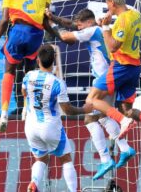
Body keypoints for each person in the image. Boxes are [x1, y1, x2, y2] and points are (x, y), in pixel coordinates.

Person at [45, 8, 135, 180]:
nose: (78, 29)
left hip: (103, 78)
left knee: (89, 117)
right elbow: (72, 24)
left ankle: (106, 158)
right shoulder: (99, 29)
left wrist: (49, 25)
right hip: (112, 75)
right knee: (102, 117)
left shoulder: (93, 30)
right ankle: (124, 148)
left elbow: (66, 37)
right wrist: (54, 18)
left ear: (88, 21)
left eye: (80, 26)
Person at [85, 0, 141, 140]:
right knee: (127, 109)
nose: (107, 7)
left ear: (112, 2)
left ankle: (124, 122)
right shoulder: (135, 14)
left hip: (120, 66)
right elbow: (121, 31)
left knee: (91, 100)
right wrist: (107, 25)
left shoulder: (122, 20)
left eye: (107, 3)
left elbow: (113, 46)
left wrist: (105, 27)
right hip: (134, 68)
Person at [0, 0, 54, 132]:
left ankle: (3, 114)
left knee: (9, 71)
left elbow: (4, 20)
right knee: (29, 71)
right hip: (36, 35)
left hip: (18, 32)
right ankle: (26, 108)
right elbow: (46, 19)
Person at [22, 45, 93, 192]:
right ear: (54, 61)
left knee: (41, 159)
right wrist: (84, 109)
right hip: (50, 126)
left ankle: (34, 183)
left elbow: (23, 92)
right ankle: (74, 190)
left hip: (31, 126)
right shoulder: (57, 83)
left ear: (37, 60)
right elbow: (67, 110)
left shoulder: (28, 76)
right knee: (66, 159)